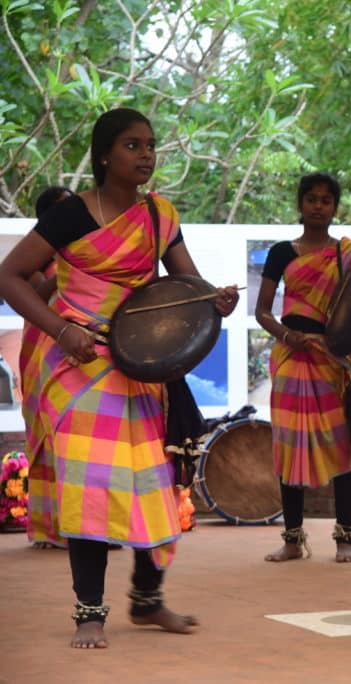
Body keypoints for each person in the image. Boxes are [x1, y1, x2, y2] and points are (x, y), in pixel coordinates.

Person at [0, 108, 239, 649]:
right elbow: (9, 277)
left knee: (154, 482)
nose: (147, 155)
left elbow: (187, 285)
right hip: (79, 363)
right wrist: (61, 331)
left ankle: (147, 601)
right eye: (133, 145)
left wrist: (215, 300)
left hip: (140, 366)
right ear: (105, 154)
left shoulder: (159, 216)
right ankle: (90, 612)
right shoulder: (69, 215)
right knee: (91, 485)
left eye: (151, 145)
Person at [257, 172, 351, 564]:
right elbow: (262, 311)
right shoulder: (281, 252)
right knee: (288, 447)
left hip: (335, 363)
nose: (318, 206)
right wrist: (285, 334)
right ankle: (293, 540)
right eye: (310, 199)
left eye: (326, 200)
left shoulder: (348, 253)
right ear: (300, 204)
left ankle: (345, 538)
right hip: (293, 359)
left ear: (335, 207)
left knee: (343, 448)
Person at [22, 185, 74, 549]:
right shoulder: (36, 256)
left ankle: (85, 527)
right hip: (42, 352)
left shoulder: (87, 250)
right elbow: (37, 296)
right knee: (47, 436)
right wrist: (68, 268)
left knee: (75, 436)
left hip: (80, 352)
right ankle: (50, 528)